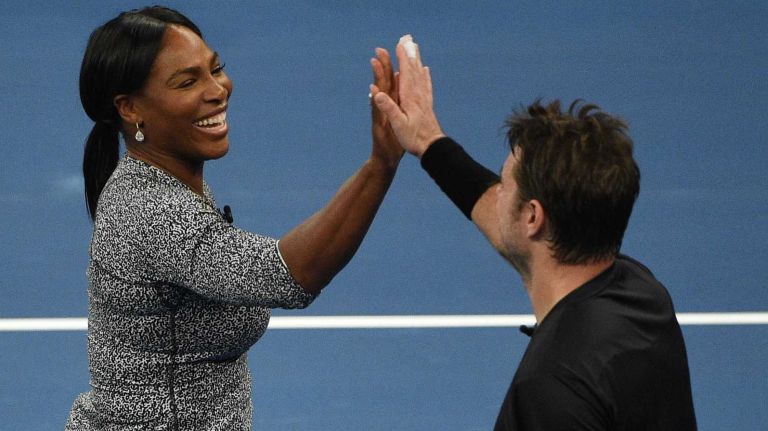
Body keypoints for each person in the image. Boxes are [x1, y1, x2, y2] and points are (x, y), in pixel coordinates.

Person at [66, 6, 402, 430]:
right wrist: (381, 165)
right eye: (187, 81)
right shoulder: (153, 211)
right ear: (130, 108)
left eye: (215, 68)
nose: (217, 90)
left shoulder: (173, 180)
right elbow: (286, 276)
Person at [372, 35, 697, 430]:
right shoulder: (642, 292)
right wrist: (429, 143)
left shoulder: (551, 387)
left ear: (533, 218)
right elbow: (501, 215)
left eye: (505, 185)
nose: (498, 192)